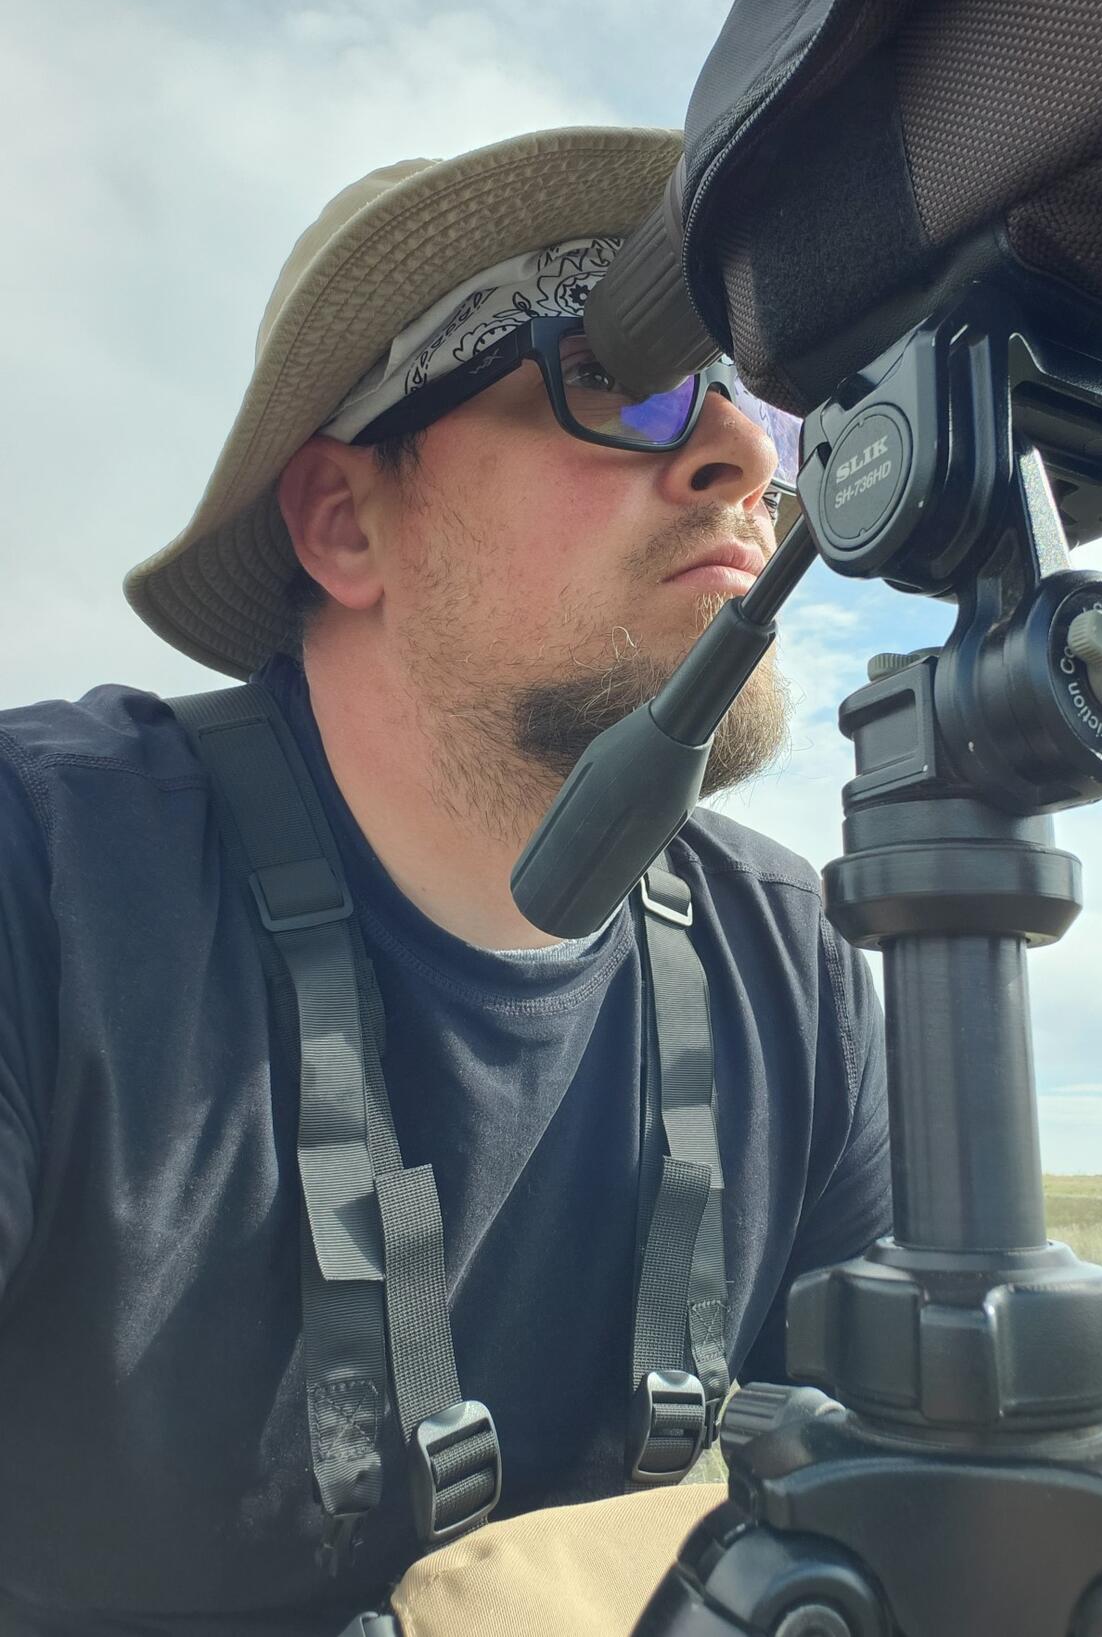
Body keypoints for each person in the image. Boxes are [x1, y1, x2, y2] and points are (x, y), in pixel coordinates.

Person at [0, 126, 893, 1637]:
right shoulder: (48, 880)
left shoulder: (792, 957)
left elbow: (897, 1514)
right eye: (618, 374)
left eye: (764, 408)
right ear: (346, 521)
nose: (746, 460)